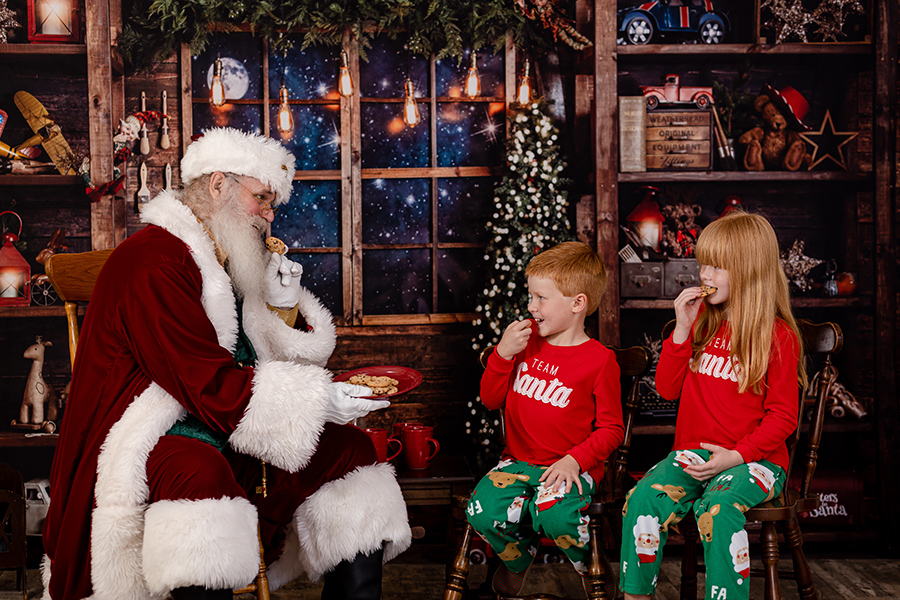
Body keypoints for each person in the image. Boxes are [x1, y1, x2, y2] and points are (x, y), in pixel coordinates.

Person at [42, 128, 412, 600]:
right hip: (148, 433)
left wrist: (282, 309)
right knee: (200, 475)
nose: (270, 216)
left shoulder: (224, 256)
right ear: (218, 184)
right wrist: (317, 401)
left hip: (221, 422)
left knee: (349, 451)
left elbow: (251, 362)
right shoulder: (153, 262)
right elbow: (204, 380)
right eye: (262, 198)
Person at [619, 210, 807, 600]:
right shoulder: (702, 321)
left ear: (750, 271)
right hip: (693, 455)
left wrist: (736, 456)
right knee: (641, 499)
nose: (704, 274)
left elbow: (784, 417)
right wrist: (681, 330)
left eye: (717, 267)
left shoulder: (778, 336)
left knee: (718, 507)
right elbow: (666, 389)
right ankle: (636, 595)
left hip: (756, 461)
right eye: (703, 264)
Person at [467, 241, 625, 596]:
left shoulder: (600, 361)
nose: (531, 306)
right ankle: (517, 559)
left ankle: (590, 567)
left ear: (577, 303)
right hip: (517, 461)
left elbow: (613, 428)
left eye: (541, 298)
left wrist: (575, 460)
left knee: (554, 516)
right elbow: (491, 400)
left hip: (569, 468)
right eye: (531, 296)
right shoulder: (525, 345)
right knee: (480, 511)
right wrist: (502, 355)